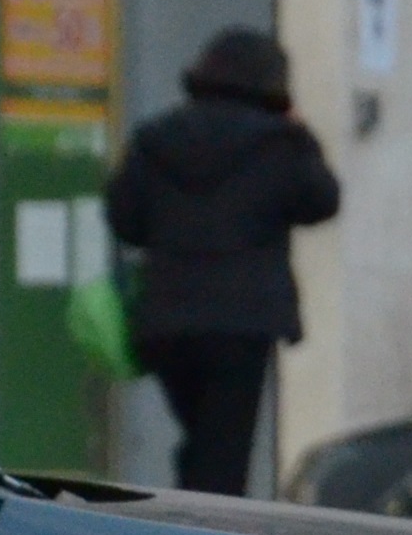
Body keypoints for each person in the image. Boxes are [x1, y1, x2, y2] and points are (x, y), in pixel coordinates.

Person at [106, 27, 341, 495]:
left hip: (168, 319)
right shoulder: (281, 143)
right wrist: (302, 133)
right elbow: (322, 201)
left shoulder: (155, 138)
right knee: (224, 452)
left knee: (202, 441)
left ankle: (189, 511)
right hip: (242, 321)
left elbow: (125, 219)